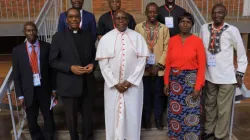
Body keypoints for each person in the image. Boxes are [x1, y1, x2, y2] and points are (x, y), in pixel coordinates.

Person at [96, 10, 149, 140]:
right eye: (118, 18)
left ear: (128, 20)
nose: (121, 21)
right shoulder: (106, 38)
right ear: (114, 20)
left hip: (133, 86)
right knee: (112, 114)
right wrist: (114, 83)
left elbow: (142, 61)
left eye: (124, 18)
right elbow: (103, 63)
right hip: (113, 87)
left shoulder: (137, 37)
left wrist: (130, 81)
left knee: (132, 113)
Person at [200, 4, 248, 140]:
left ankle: (220, 135)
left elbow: (242, 54)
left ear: (225, 14)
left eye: (220, 12)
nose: (217, 15)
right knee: (209, 106)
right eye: (214, 12)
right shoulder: (204, 28)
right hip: (209, 76)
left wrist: (239, 73)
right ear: (211, 14)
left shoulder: (232, 30)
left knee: (224, 109)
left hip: (227, 78)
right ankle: (209, 130)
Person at [50, 8, 96, 140]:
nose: (74, 19)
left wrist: (93, 64)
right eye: (71, 17)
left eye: (76, 17)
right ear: (66, 19)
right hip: (69, 84)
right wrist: (70, 67)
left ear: (80, 19)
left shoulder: (88, 35)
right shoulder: (58, 37)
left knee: (88, 119)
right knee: (71, 120)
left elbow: (94, 55)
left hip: (87, 84)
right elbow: (53, 61)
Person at [164, 12, 206, 139]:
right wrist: (166, 82)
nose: (185, 24)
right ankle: (175, 137)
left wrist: (198, 87)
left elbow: (202, 66)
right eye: (182, 21)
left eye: (188, 22)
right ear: (178, 24)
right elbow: (168, 63)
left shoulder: (197, 41)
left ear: (192, 25)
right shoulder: (172, 40)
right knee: (175, 113)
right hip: (175, 82)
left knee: (191, 113)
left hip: (191, 82)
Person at [12, 22, 55, 140]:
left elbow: (52, 70)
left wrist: (54, 88)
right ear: (24, 32)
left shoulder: (47, 46)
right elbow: (17, 75)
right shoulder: (17, 51)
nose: (31, 33)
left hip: (44, 88)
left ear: (37, 31)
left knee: (48, 116)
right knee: (31, 119)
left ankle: (49, 137)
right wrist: (20, 95)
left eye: (33, 30)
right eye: (28, 30)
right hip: (28, 90)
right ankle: (37, 138)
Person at [135, 2, 170, 130]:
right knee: (145, 96)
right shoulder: (138, 27)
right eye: (149, 12)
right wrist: (145, 66)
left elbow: (167, 48)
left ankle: (158, 118)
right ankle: (146, 119)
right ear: (146, 13)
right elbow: (136, 47)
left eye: (154, 12)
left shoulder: (164, 28)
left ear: (157, 13)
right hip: (144, 70)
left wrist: (159, 65)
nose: (152, 14)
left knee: (159, 96)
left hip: (159, 70)